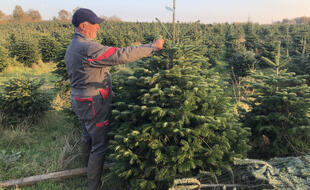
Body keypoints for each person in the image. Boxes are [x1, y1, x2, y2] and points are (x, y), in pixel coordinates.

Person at [65, 8, 164, 190]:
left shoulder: (74, 45)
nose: (98, 28)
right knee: (100, 144)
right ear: (83, 26)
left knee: (87, 135)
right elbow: (119, 55)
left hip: (80, 99)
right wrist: (151, 47)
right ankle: (93, 185)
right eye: (95, 24)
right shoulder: (87, 47)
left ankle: (85, 171)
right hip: (92, 102)